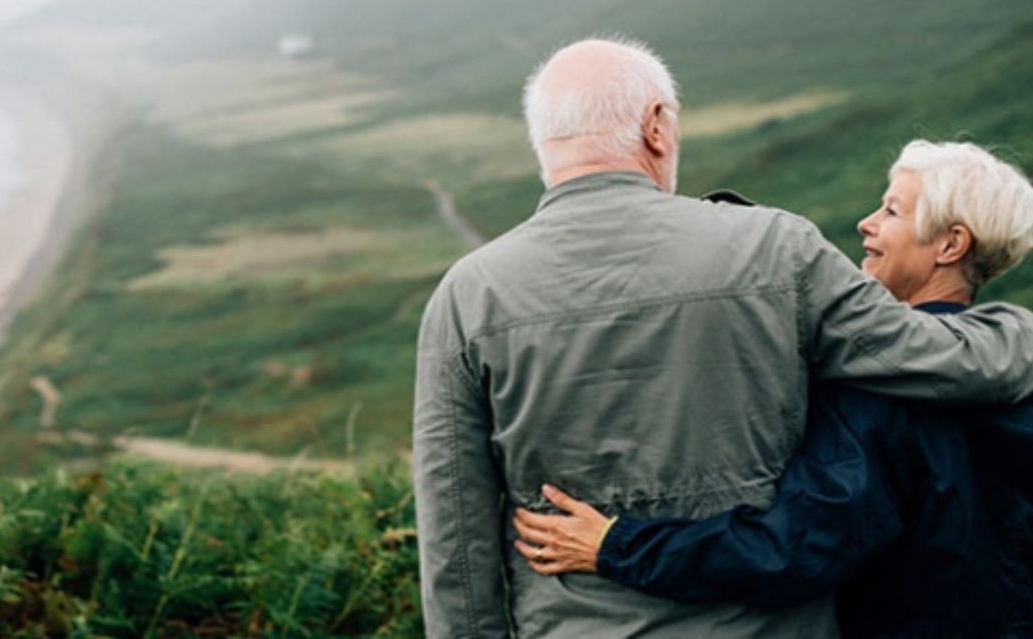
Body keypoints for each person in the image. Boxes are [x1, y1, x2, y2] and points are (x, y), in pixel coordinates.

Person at [413, 37, 1033, 638]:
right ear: (656, 126)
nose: (869, 223)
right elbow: (938, 356)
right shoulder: (776, 249)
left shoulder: (466, 296)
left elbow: (455, 542)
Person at [511, 140, 1033, 635]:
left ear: (951, 244)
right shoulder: (1017, 371)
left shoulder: (878, 391)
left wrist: (615, 545)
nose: (866, 224)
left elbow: (796, 549)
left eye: (892, 212)